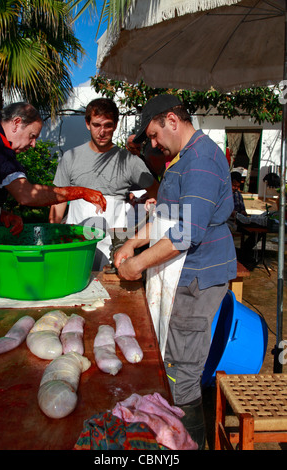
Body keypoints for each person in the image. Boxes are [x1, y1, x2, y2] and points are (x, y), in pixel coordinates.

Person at [114, 94, 237, 449]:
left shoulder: (200, 160)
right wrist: (132, 243)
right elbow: (166, 218)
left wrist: (138, 263)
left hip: (198, 278)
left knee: (182, 371)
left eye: (154, 135)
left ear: (172, 119)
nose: (153, 144)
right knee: (171, 358)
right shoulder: (182, 158)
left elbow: (187, 231)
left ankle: (190, 444)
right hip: (183, 273)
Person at [49, 98, 159, 270]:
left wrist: (148, 202)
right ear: (87, 124)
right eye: (96, 125)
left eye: (107, 125)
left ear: (115, 125)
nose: (102, 132)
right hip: (76, 244)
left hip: (114, 247)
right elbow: (59, 199)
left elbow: (157, 191)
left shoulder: (130, 161)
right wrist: (53, 237)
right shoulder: (70, 158)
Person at [0, 102, 106, 234]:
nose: (33, 144)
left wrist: (2, 215)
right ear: (16, 123)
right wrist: (81, 192)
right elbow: (27, 194)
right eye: (32, 136)